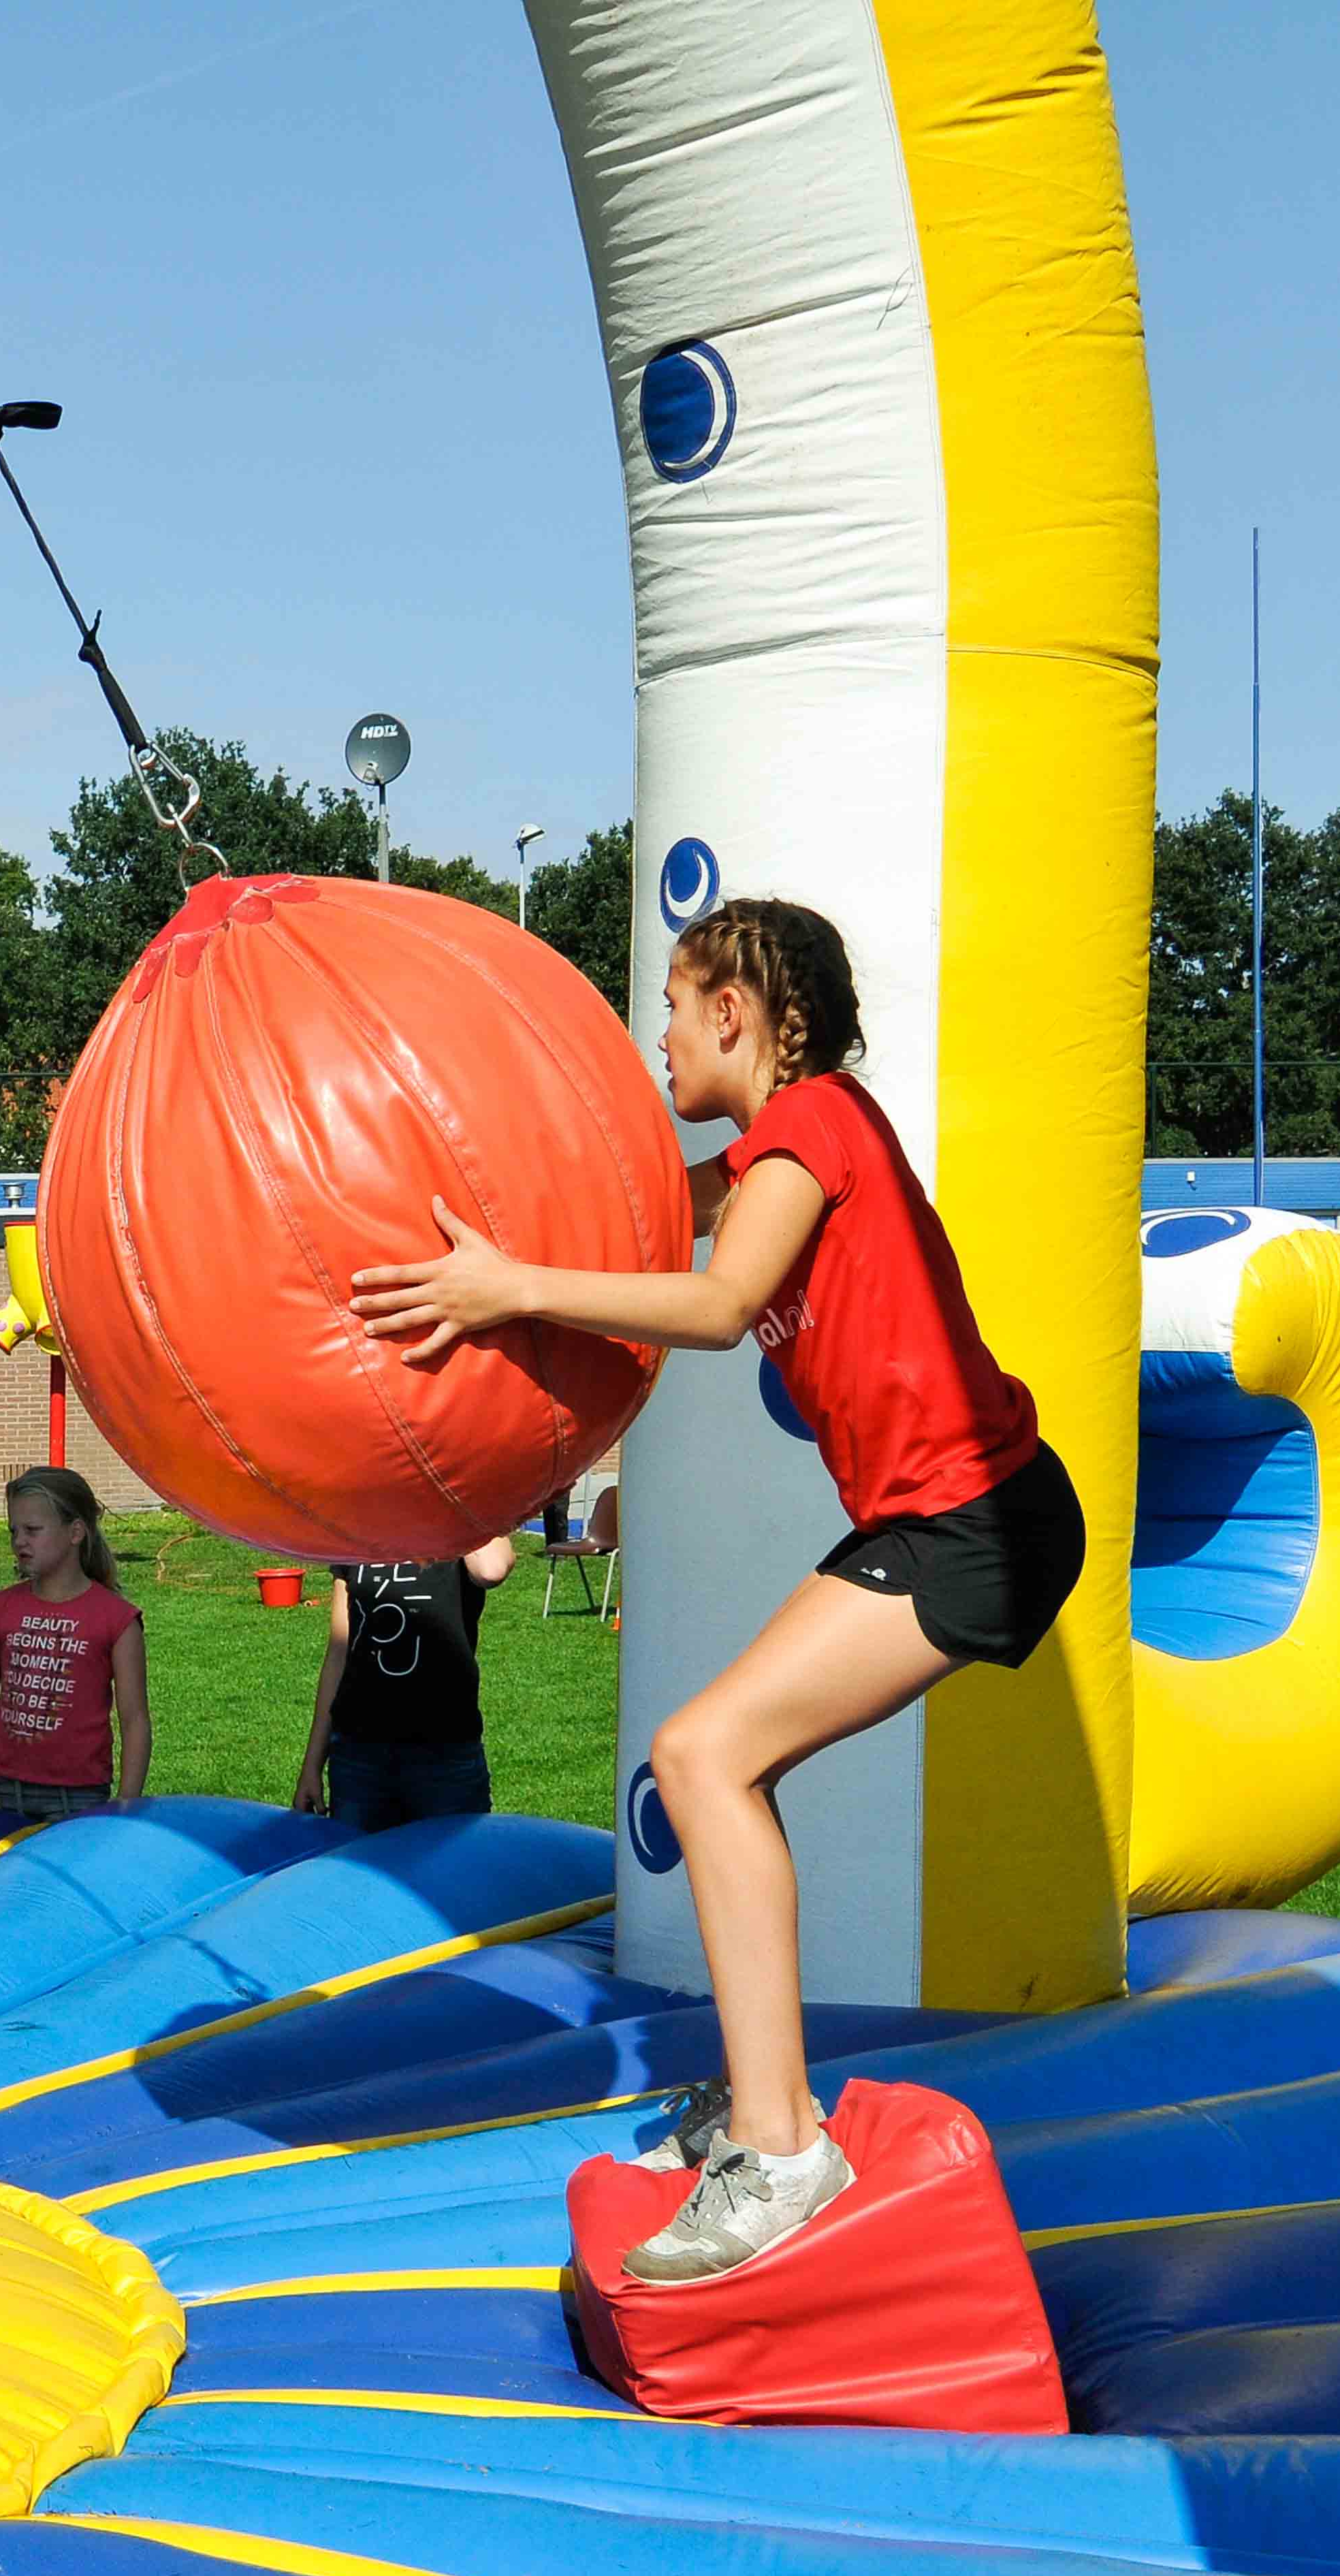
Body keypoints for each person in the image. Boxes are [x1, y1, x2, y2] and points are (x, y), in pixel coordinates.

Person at [351, 894, 1083, 2287]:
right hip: (944, 1517)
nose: (662, 1042)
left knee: (702, 1757)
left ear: (734, 1014)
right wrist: (472, 1228)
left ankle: (781, 2146)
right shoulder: (770, 1152)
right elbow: (640, 1214)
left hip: (975, 1519)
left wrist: (513, 1290)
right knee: (715, 1761)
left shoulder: (814, 1124)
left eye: (674, 1012)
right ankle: (770, 2106)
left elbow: (717, 1302)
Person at [293, 1533, 521, 1832]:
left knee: (447, 1862)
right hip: (359, 1755)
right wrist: (312, 1764)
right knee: (361, 1861)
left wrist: (451, 1507)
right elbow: (339, 1652)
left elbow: (491, 1569)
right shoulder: (358, 1526)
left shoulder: (463, 1526)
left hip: (445, 1753)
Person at [0, 1466, 148, 1822]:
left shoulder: (117, 1619)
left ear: (75, 1532)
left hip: (80, 1796)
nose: (20, 1541)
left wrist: (127, 1802)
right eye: (14, 1531)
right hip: (3, 1789)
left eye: (33, 1530)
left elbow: (135, 1719)